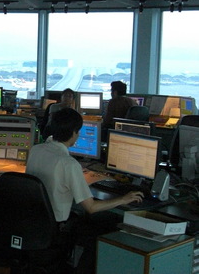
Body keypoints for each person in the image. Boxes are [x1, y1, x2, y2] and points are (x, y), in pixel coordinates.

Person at [26, 107, 143, 274]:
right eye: (78, 131)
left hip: (33, 221)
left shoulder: (36, 150)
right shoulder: (68, 164)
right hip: (55, 226)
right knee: (102, 228)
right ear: (74, 133)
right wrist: (123, 199)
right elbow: (91, 207)